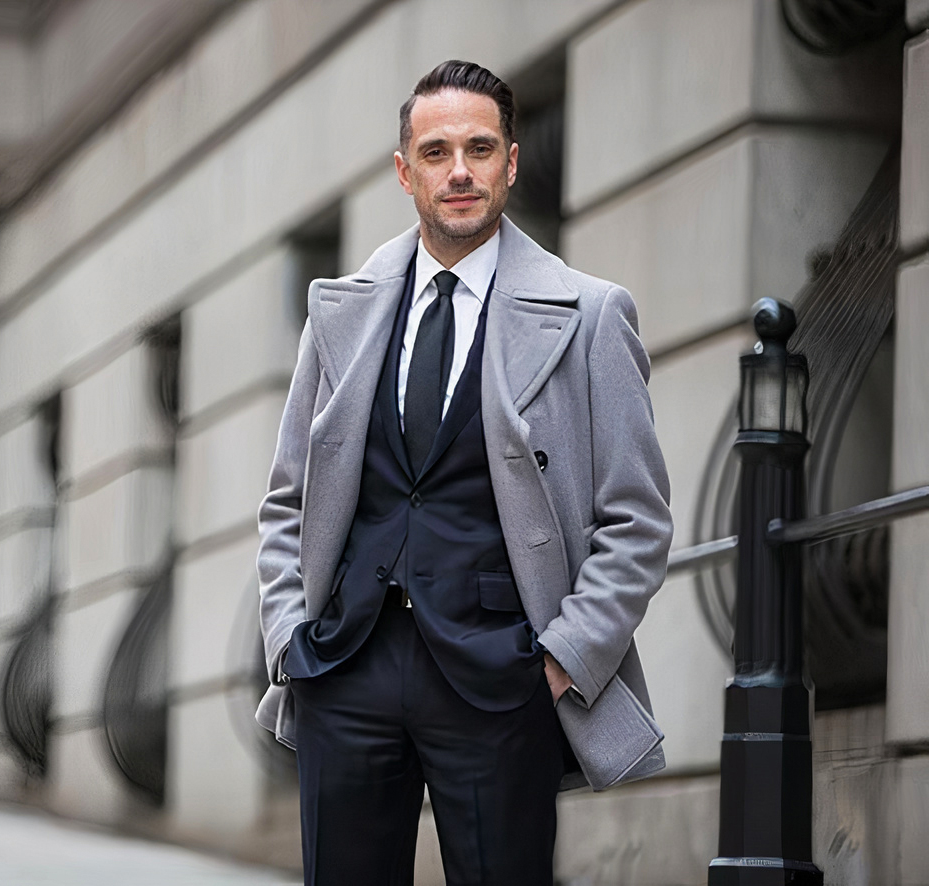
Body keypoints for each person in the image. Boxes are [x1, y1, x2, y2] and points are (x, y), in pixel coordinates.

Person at [255, 59, 673, 886]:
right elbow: (286, 500)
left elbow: (639, 521)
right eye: (436, 151)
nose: (459, 172)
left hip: (502, 681)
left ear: (511, 163)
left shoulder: (589, 315)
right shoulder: (341, 311)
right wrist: (288, 639)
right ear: (404, 171)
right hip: (347, 669)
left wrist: (558, 662)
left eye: (480, 149)